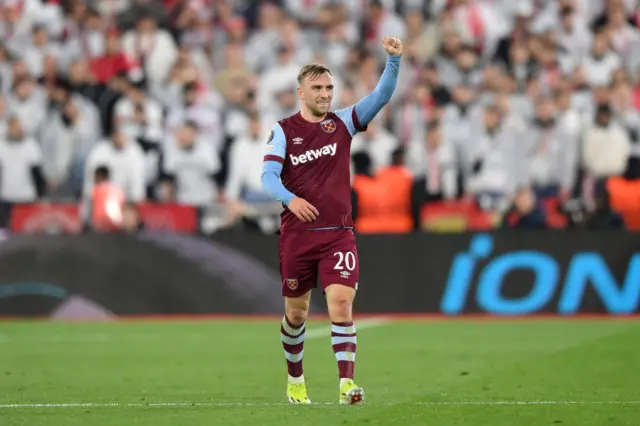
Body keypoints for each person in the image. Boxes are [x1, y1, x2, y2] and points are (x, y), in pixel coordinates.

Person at [261, 37, 402, 405]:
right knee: (297, 313)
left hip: (338, 234)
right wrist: (292, 199)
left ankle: (346, 385)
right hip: (297, 235)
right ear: (301, 93)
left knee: (341, 305)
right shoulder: (283, 130)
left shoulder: (343, 123)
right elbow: (268, 179)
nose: (325, 94)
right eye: (317, 88)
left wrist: (394, 59)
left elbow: (381, 97)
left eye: (329, 88)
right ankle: (295, 382)